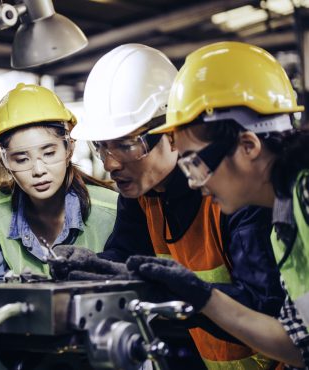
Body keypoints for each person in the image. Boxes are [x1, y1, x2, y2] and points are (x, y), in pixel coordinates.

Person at [64, 44, 285, 369]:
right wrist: (92, 272)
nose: (110, 164)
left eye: (126, 145)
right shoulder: (142, 195)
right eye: (101, 148)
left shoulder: (241, 194)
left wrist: (179, 293)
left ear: (170, 134)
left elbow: (271, 314)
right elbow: (127, 261)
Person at [128, 41, 309, 368]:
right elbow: (299, 345)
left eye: (194, 164)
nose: (195, 183)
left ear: (248, 145)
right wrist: (200, 295)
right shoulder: (283, 224)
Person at [0, 83, 118, 281]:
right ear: (5, 162)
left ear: (69, 149)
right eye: (22, 159)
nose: (38, 170)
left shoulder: (114, 210)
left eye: (49, 153)